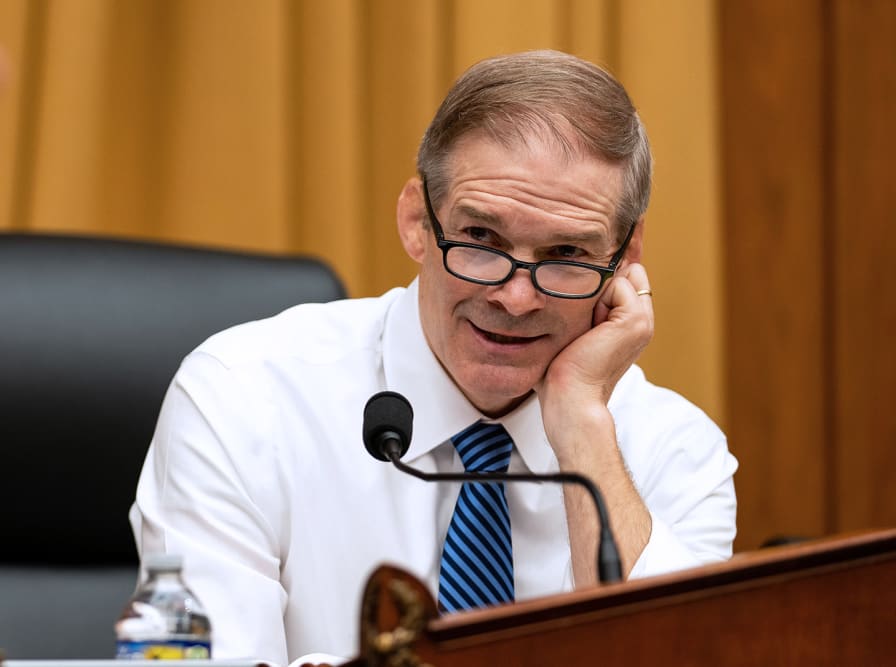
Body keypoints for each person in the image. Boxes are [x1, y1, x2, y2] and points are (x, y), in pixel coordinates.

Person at [130, 49, 737, 665]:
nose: (517, 297)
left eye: (566, 254)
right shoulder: (243, 398)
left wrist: (582, 423)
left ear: (626, 254)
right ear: (418, 221)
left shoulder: (674, 452)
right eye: (480, 240)